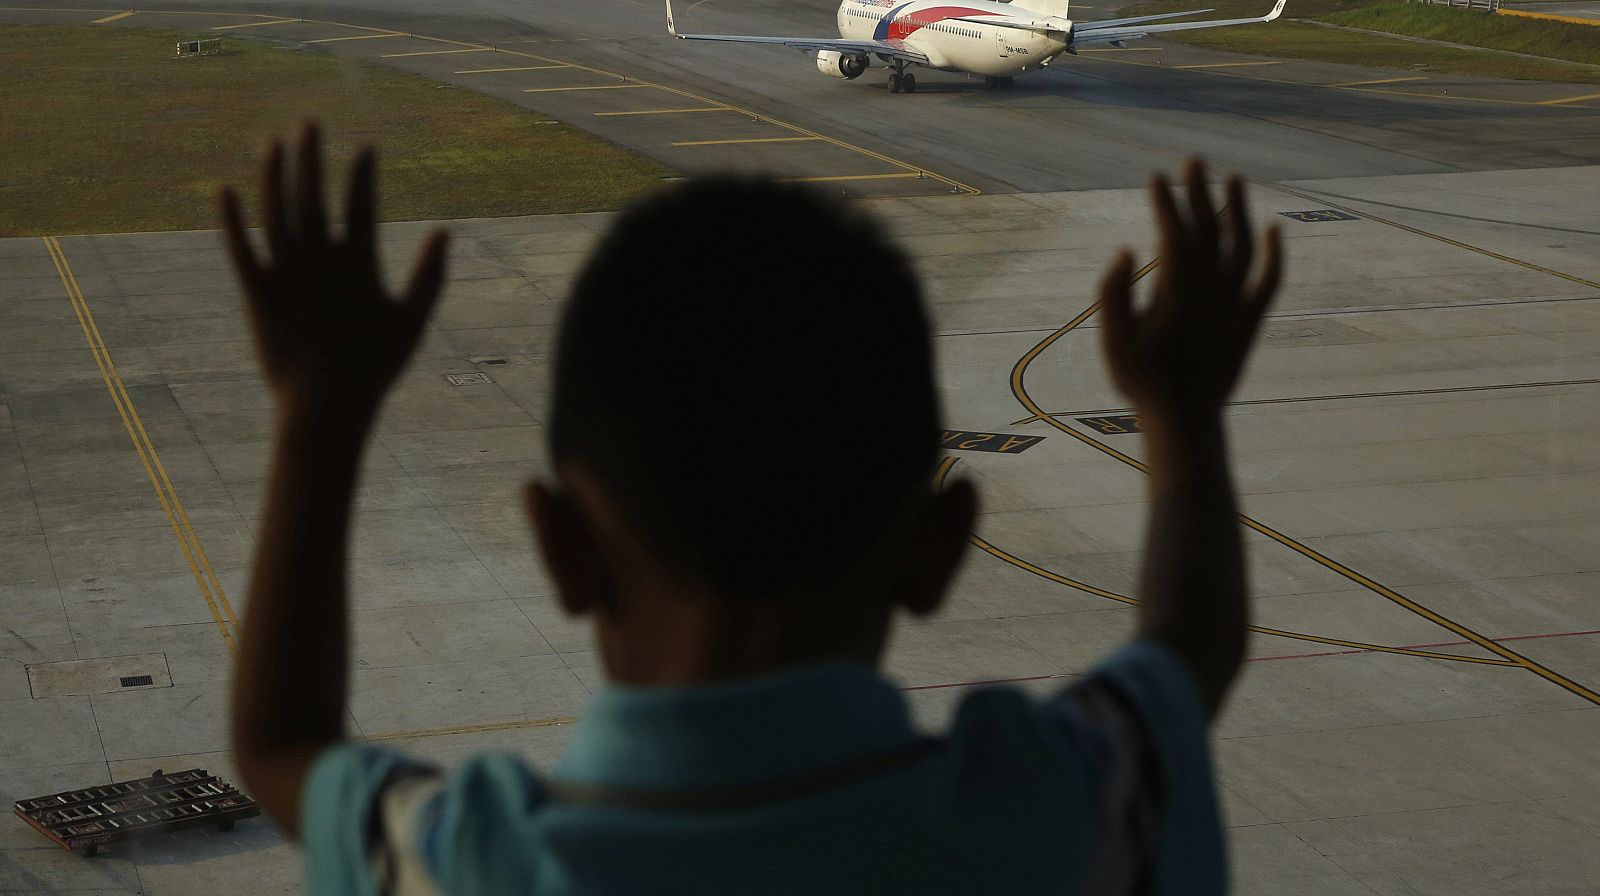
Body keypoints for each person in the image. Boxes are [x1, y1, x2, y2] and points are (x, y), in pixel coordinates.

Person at [222, 124, 1281, 895]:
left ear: (558, 548)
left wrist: (320, 416)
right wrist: (1181, 408)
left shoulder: (477, 865)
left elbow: (279, 745)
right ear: (939, 550)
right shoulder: (1052, 819)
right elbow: (1188, 653)